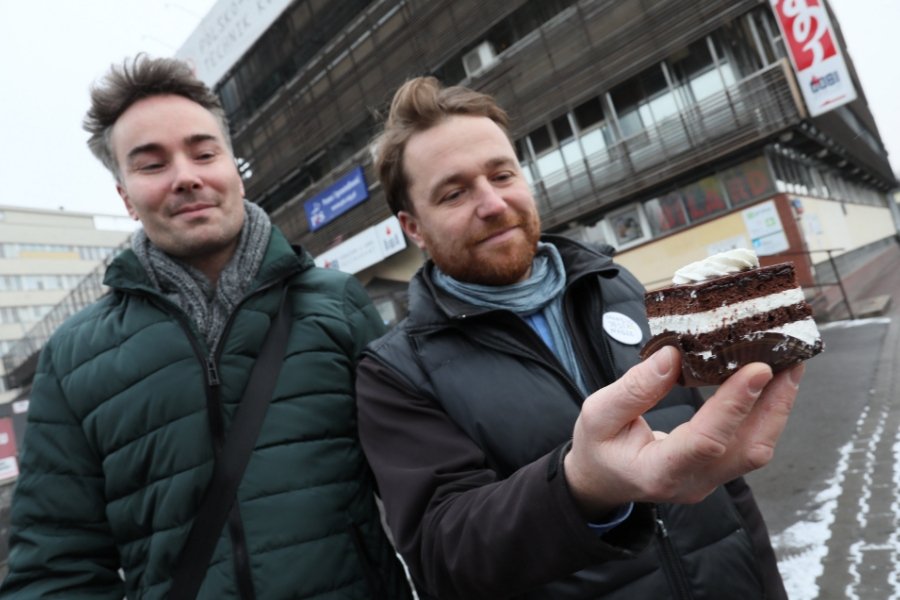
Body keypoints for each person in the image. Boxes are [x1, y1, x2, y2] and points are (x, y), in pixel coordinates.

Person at [355, 76, 801, 599]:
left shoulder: (617, 284)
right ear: (413, 228)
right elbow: (441, 558)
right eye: (454, 193)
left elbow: (726, 485)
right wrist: (579, 487)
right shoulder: (395, 372)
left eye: (502, 175)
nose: (493, 203)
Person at [0, 55, 411, 599]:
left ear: (234, 167)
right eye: (152, 164)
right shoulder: (74, 358)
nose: (186, 177)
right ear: (125, 197)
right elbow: (54, 572)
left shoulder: (336, 305)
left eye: (203, 153)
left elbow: (423, 490)